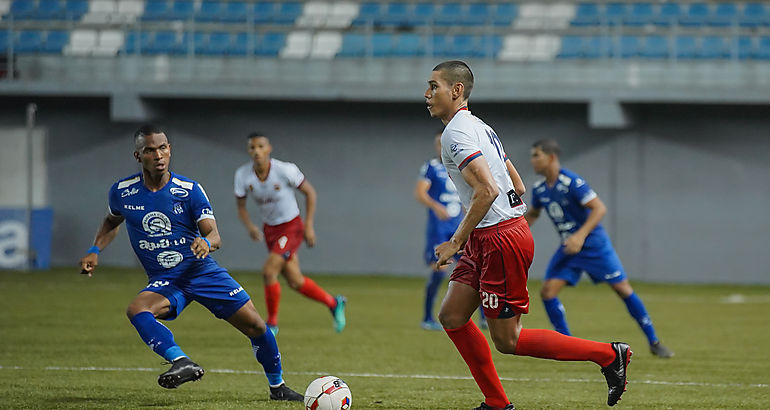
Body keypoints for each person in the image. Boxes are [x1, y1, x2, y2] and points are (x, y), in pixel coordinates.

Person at [426, 61, 632, 409]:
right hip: (490, 235)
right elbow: (517, 185)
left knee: (508, 339)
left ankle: (609, 355)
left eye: (434, 86)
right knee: (451, 315)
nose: (427, 94)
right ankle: (496, 403)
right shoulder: (479, 126)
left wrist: (456, 241)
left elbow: (487, 191)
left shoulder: (456, 134)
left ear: (456, 90)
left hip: (498, 239)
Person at [78, 125, 303, 401]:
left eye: (163, 148)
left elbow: (214, 233)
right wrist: (94, 249)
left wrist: (206, 243)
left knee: (257, 326)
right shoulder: (122, 192)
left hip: (201, 271)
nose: (158, 155)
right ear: (139, 156)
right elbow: (111, 222)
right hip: (166, 279)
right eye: (150, 150)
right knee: (137, 309)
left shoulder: (189, 190)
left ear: (170, 150)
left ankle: (277, 387)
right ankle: (181, 361)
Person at [525, 139, 674, 358]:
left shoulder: (572, 182)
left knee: (622, 289)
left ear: (552, 157)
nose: (533, 160)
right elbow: (533, 214)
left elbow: (599, 208)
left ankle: (654, 341)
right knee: (547, 292)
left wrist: (580, 236)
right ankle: (567, 343)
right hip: (569, 248)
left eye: (536, 155)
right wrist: (513, 232)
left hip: (593, 245)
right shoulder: (539, 189)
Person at [234, 132, 346, 335]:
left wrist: (309, 225)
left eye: (261, 146)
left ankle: (272, 324)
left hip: (291, 227)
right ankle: (334, 302)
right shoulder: (243, 175)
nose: (257, 151)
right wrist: (250, 226)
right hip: (271, 230)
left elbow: (310, 193)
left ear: (269, 149)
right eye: (253, 147)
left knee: (269, 271)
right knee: (295, 281)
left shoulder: (284, 170)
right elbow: (240, 206)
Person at [414, 131, 487, 331]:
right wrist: (437, 207)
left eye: (443, 144)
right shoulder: (432, 167)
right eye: (437, 144)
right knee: (439, 271)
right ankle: (428, 317)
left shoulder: (461, 168)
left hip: (459, 227)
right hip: (439, 228)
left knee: (475, 270)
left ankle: (484, 318)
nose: (440, 148)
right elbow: (420, 193)